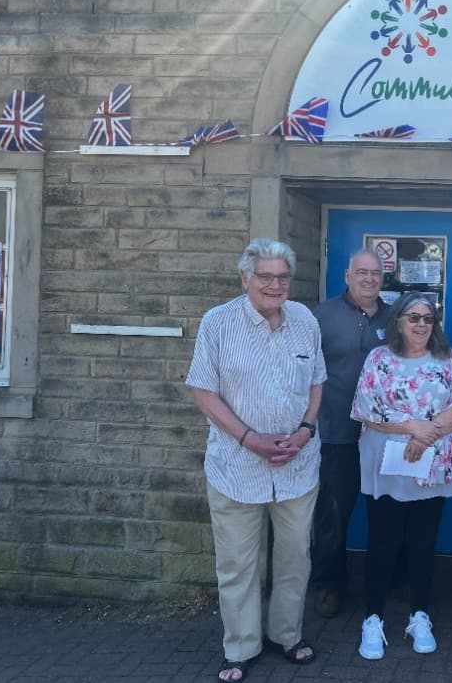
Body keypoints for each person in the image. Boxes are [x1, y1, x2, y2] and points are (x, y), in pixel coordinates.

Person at [187, 238, 326, 683]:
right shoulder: (218, 323)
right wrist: (250, 438)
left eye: (283, 277)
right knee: (238, 564)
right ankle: (240, 647)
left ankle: (287, 635)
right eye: (265, 276)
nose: (275, 284)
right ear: (245, 277)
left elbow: (318, 381)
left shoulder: (304, 319)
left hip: (297, 467)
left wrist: (306, 431)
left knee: (294, 559)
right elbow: (204, 393)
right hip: (236, 467)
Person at [350, 291, 452, 660]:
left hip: (430, 467)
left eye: (428, 318)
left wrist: (428, 431)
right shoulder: (378, 358)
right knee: (383, 543)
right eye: (413, 317)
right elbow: (365, 407)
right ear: (399, 321)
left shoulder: (446, 358)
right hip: (388, 465)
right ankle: (373, 619)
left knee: (422, 543)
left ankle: (420, 615)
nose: (421, 324)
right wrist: (411, 429)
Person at [310, 249, 390, 619]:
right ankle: (329, 585)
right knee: (333, 513)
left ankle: (393, 578)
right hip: (335, 433)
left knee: (390, 511)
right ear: (347, 275)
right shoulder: (321, 317)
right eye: (362, 272)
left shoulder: (396, 318)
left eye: (375, 272)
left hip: (386, 436)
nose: (369, 279)